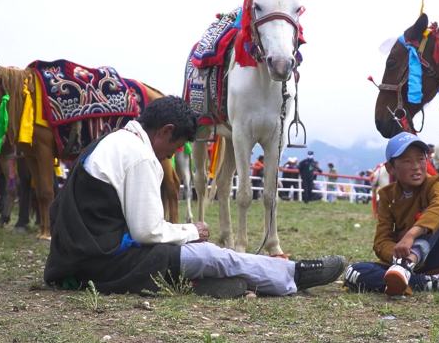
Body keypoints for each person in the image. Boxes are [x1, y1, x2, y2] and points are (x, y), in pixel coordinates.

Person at [43, 97, 345, 297]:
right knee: (209, 253)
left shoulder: (112, 142)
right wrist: (191, 231)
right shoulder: (139, 156)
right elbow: (146, 231)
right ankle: (294, 275)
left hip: (77, 256)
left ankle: (213, 284)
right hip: (98, 262)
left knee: (202, 257)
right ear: (166, 131)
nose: (169, 157)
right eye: (173, 150)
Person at [344, 132, 439, 296]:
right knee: (353, 271)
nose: (416, 166)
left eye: (421, 159)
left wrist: (411, 234)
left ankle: (406, 268)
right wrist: (397, 254)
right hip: (405, 259)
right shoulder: (388, 195)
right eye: (407, 161)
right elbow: (381, 241)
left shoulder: (435, 184)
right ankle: (433, 283)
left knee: (436, 221)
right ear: (391, 168)